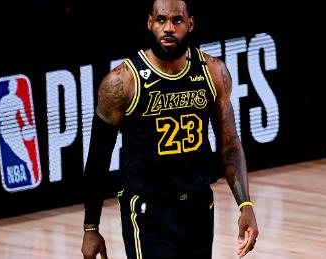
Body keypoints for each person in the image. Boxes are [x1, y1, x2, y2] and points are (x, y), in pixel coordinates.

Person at [81, 0, 259, 258]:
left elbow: (230, 145)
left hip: (198, 206)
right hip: (147, 211)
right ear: (150, 23)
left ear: (190, 24)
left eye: (177, 20)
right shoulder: (122, 81)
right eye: (162, 20)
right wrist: (90, 226)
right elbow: (98, 158)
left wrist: (245, 204)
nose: (168, 28)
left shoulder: (213, 73)